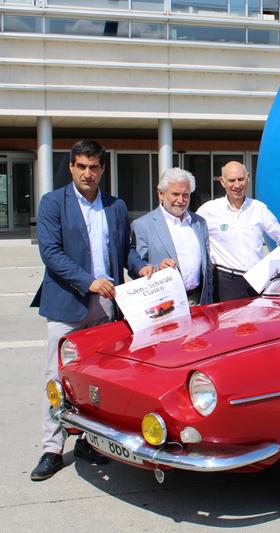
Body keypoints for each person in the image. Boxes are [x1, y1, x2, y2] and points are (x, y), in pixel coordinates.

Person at [29, 139, 153, 481]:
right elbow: (51, 254)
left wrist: (140, 267)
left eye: (94, 167)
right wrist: (89, 281)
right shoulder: (53, 203)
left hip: (106, 308)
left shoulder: (115, 206)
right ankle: (52, 449)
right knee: (56, 377)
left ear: (102, 169)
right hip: (68, 306)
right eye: (81, 166)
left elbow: (125, 251)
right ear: (71, 167)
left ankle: (90, 441)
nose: (88, 173)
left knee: (97, 379)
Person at [196, 161, 280, 302]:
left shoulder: (259, 208)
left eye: (241, 179)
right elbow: (190, 237)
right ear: (222, 181)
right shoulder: (208, 210)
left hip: (257, 282)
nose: (237, 185)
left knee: (256, 323)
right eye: (232, 180)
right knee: (228, 323)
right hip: (225, 284)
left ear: (248, 178)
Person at [130, 168, 213, 306]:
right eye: (175, 194)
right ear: (161, 194)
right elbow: (136, 268)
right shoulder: (143, 226)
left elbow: (206, 267)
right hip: (164, 304)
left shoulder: (200, 223)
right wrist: (157, 269)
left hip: (199, 301)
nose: (180, 200)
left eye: (185, 195)